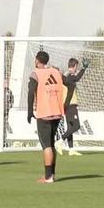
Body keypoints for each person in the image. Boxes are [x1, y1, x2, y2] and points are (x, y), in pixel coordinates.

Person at [27, 51, 65, 183]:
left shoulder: (36, 74)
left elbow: (31, 92)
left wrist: (29, 111)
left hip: (44, 113)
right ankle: (52, 174)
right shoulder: (56, 72)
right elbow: (70, 84)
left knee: (46, 146)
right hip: (57, 113)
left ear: (37, 60)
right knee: (51, 144)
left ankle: (48, 177)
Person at [57, 57, 89, 156]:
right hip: (71, 104)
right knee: (76, 126)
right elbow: (77, 78)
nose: (76, 69)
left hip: (67, 105)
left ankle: (71, 149)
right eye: (77, 66)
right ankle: (60, 141)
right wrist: (84, 68)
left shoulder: (66, 75)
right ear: (74, 66)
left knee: (70, 127)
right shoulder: (70, 75)